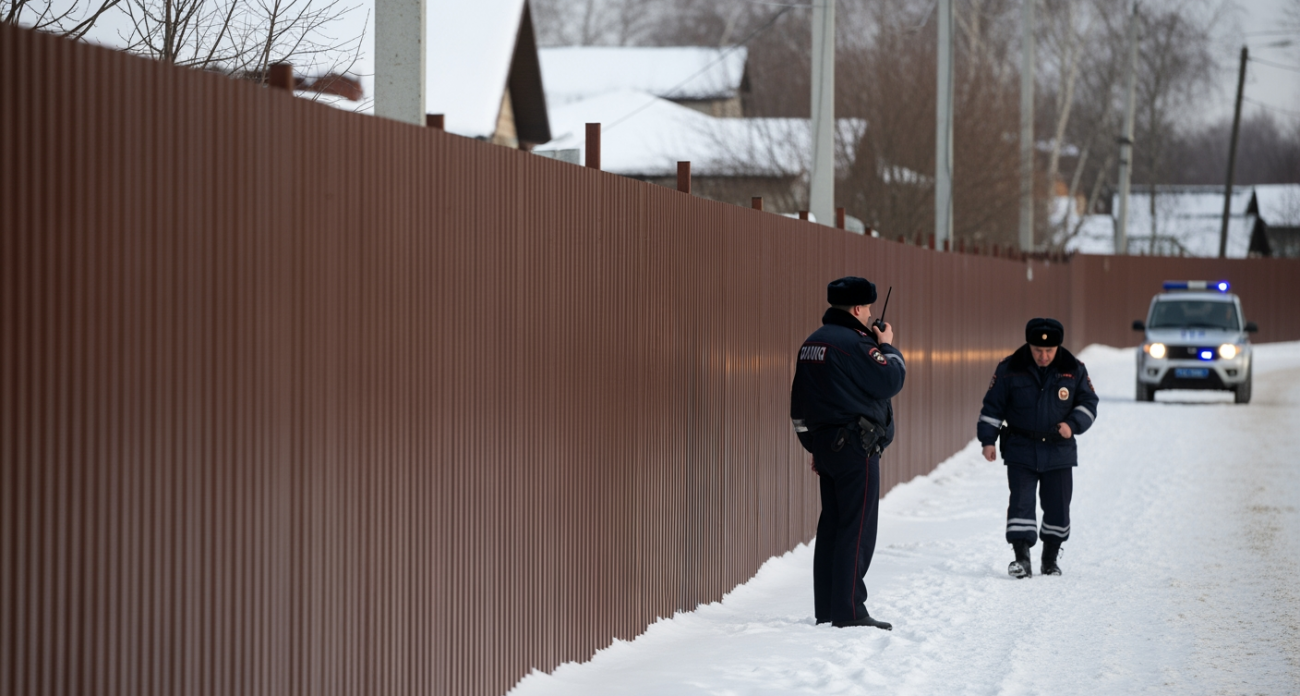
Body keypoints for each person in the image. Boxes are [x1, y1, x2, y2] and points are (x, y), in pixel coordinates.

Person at [790, 277, 906, 629]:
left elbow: (798, 404)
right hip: (858, 447)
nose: (870, 314)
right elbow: (891, 380)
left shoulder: (812, 343)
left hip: (826, 448)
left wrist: (815, 445)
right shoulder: (856, 344)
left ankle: (827, 608)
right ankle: (850, 611)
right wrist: (887, 346)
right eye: (867, 308)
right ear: (858, 309)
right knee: (857, 529)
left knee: (832, 527)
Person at [977, 318, 1099, 578]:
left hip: (1059, 450)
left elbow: (1089, 403)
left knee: (1058, 506)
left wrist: (1072, 424)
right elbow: (992, 408)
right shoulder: (1009, 368)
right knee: (1020, 504)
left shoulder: (1074, 369)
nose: (1043, 356)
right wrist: (988, 440)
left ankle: (1050, 559)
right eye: (1037, 350)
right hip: (1021, 448)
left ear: (1058, 348)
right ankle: (1022, 559)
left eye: (1049, 351)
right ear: (1028, 346)